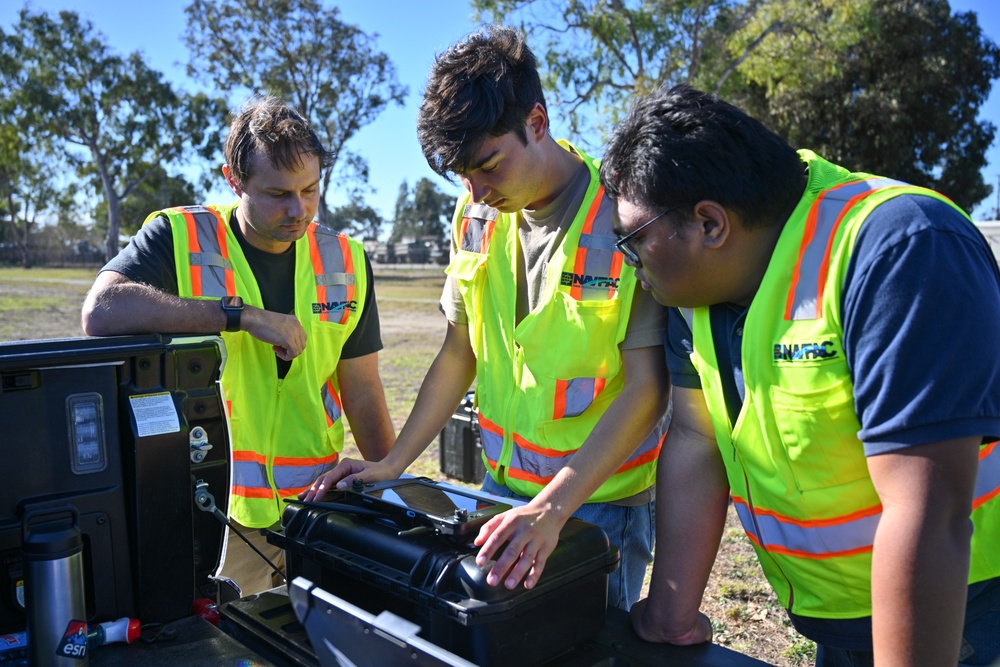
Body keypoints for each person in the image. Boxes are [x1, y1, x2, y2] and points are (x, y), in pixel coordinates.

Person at [598, 83, 1000, 666]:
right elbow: (696, 438)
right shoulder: (696, 292)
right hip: (840, 620)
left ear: (710, 224)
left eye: (633, 244)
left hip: (959, 618)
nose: (630, 268)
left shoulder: (901, 250)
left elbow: (927, 515)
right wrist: (669, 615)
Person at [302, 25, 671, 611]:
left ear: (538, 123)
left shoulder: (625, 215)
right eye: (462, 177)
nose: (475, 192)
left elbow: (649, 389)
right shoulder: (474, 214)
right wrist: (393, 463)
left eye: (489, 166)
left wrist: (553, 509)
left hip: (596, 505)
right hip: (500, 493)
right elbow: (458, 352)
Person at [81, 95, 395, 596]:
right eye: (277, 194)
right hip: (212, 512)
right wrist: (239, 316)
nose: (299, 211)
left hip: (313, 508)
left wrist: (394, 489)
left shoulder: (347, 260)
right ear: (233, 179)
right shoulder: (179, 236)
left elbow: (362, 389)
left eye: (310, 190)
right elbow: (101, 311)